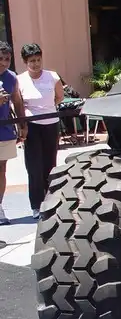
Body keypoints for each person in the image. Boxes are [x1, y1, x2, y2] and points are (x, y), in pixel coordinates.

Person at [17, 43, 64, 219]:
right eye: (32, 61)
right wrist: (23, 125)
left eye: (38, 60)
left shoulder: (53, 76)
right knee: (34, 166)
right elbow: (19, 103)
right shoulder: (20, 80)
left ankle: (51, 201)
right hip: (32, 126)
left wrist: (47, 109)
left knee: (50, 164)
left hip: (51, 123)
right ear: (25, 62)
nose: (36, 64)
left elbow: (59, 97)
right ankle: (36, 205)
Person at [0, 41, 26, 225]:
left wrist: (23, 124)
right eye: (0, 58)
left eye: (7, 59)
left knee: (1, 169)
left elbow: (17, 101)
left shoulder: (11, 77)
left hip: (5, 131)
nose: (3, 62)